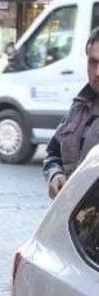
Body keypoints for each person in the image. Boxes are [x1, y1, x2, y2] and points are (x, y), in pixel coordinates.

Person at [45, 27, 99, 199]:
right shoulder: (79, 107)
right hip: (72, 218)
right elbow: (53, 153)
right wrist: (56, 174)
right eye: (93, 62)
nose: (97, 72)